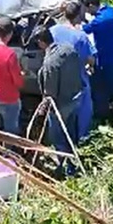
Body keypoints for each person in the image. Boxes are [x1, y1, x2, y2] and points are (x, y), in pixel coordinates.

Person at [32, 25, 83, 177]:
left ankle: (65, 168)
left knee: (59, 137)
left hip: (60, 107)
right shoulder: (69, 49)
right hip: (75, 98)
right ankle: (74, 159)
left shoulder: (49, 64)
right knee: (71, 132)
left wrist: (42, 110)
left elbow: (50, 94)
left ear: (41, 42)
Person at [50, 0, 96, 143]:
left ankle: (60, 144)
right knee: (83, 112)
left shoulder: (53, 30)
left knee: (59, 114)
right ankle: (82, 139)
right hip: (77, 80)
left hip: (57, 80)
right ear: (78, 15)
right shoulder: (80, 36)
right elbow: (90, 59)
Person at [81, 0, 113, 119]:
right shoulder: (109, 10)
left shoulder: (101, 20)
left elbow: (84, 30)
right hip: (111, 56)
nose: (86, 12)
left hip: (111, 59)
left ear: (91, 5)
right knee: (112, 86)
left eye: (86, 9)